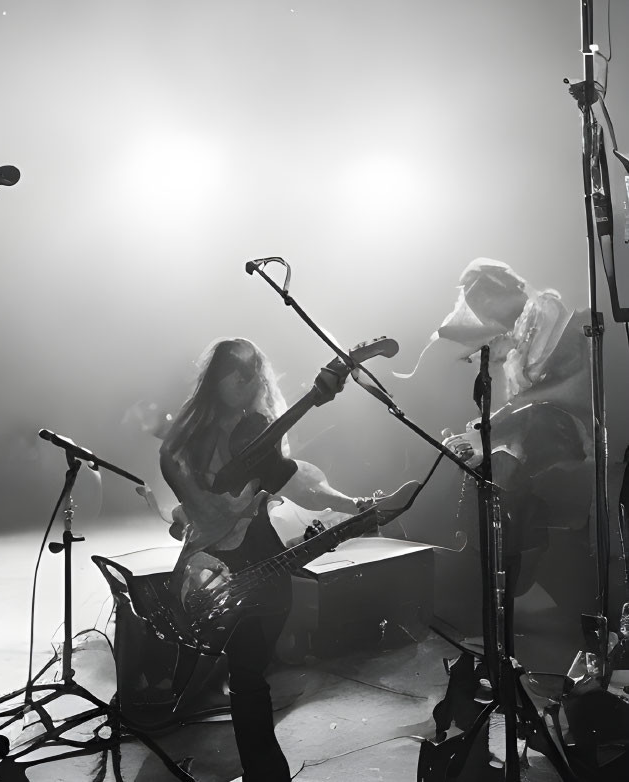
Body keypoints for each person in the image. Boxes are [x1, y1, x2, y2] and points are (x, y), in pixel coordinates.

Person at [159, 338, 370, 782]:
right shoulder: (185, 438)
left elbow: (294, 482)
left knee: (252, 671)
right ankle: (265, 772)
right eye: (233, 369)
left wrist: (356, 504)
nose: (244, 378)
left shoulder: (258, 426)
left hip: (263, 556)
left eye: (252, 370)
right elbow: (194, 494)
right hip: (213, 563)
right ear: (213, 376)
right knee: (247, 673)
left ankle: (256, 761)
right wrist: (208, 512)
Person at [404, 257, 593, 597]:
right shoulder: (518, 328)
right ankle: (478, 563)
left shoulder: (545, 309)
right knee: (463, 448)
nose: (482, 311)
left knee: (501, 461)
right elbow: (524, 399)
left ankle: (512, 574)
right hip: (538, 421)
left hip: (569, 424)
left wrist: (498, 424)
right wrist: (484, 426)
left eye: (482, 300)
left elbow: (567, 388)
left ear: (497, 292)